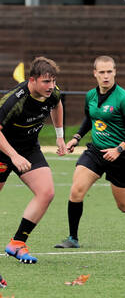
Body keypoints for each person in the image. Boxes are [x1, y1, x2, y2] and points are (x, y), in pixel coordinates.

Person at [54, 55, 125, 249]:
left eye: (109, 71)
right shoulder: (90, 95)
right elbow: (90, 119)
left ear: (115, 72)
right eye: (102, 72)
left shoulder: (124, 98)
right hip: (95, 152)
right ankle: (73, 238)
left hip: (120, 156)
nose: (106, 76)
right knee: (76, 190)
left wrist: (118, 149)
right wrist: (76, 138)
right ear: (95, 74)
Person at [0, 57, 67, 264]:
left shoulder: (52, 93)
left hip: (29, 149)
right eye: (46, 82)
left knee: (46, 192)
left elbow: (57, 105)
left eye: (53, 81)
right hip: (3, 150)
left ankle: (17, 243)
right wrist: (13, 155)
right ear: (32, 80)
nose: (51, 86)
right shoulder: (14, 101)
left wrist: (60, 135)